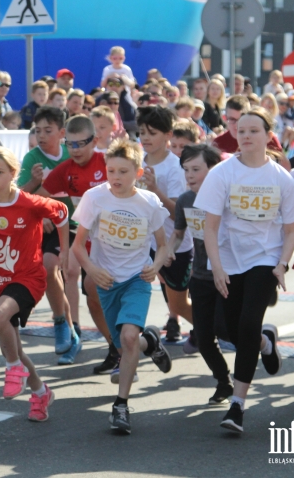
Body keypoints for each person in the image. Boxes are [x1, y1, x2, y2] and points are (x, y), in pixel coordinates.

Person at [197, 109, 294, 433]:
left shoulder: (280, 178)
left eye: (253, 131)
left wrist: (282, 264)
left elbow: (291, 228)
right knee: (231, 329)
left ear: (268, 135)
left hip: (265, 259)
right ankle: (264, 343)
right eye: (241, 130)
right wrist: (216, 267)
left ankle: (237, 405)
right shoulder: (221, 174)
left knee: (247, 322)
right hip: (229, 259)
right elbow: (210, 228)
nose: (245, 136)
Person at [71, 138, 173, 434]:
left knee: (128, 338)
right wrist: (92, 269)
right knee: (125, 342)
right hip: (106, 280)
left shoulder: (149, 202)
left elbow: (164, 245)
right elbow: (78, 247)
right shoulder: (95, 197)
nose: (115, 178)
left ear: (138, 174)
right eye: (111, 171)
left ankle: (121, 405)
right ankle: (150, 343)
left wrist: (155, 265)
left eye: (123, 172)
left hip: (136, 280)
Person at [0, 147, 69, 421]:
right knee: (16, 347)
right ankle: (41, 393)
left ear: (13, 174)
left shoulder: (29, 202)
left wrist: (65, 251)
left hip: (27, 278)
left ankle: (12, 367)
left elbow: (63, 213)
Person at [36, 116, 109, 366]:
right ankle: (74, 329)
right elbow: (36, 198)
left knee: (102, 293)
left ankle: (125, 344)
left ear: (95, 141)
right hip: (87, 239)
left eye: (81, 144)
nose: (75, 150)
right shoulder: (66, 169)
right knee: (83, 283)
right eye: (70, 144)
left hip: (117, 241)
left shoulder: (108, 163)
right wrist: (44, 213)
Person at [170, 144, 234, 404]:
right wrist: (168, 253)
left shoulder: (229, 199)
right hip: (200, 276)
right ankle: (223, 381)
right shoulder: (185, 200)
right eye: (186, 170)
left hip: (229, 275)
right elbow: (177, 235)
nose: (189, 175)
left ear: (214, 170)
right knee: (204, 338)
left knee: (226, 330)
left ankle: (263, 338)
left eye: (196, 169)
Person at [16, 106, 78, 361]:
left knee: (83, 281)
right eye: (37, 130)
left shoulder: (71, 154)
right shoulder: (33, 159)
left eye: (48, 130)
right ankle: (61, 323)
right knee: (49, 266)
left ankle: (81, 335)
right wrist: (33, 182)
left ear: (62, 133)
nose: (41, 135)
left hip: (76, 224)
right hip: (47, 225)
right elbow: (21, 195)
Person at [137, 106, 194, 343]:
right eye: (142, 132)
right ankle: (126, 345)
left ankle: (210, 329)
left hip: (175, 246)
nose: (146, 138)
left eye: (152, 132)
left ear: (168, 135)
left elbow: (178, 216)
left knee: (179, 303)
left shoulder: (176, 167)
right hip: (142, 245)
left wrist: (155, 190)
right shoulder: (135, 161)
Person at [213, 95, 282, 155]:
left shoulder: (266, 138)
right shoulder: (218, 144)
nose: (237, 124)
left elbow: (283, 165)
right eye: (232, 119)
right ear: (224, 118)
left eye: (241, 119)